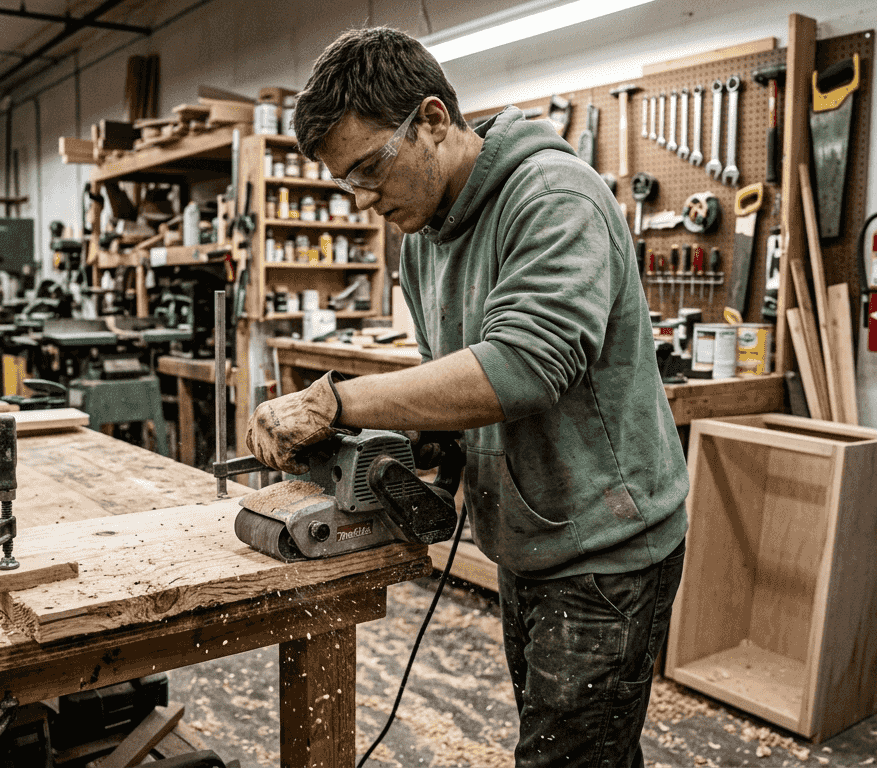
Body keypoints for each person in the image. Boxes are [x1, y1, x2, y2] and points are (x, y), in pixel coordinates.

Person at [246, 28, 688, 767]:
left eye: (369, 169)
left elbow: (523, 367)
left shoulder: (552, 195)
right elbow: (453, 390)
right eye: (345, 183)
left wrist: (337, 402)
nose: (363, 200)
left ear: (431, 118)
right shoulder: (423, 238)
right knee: (585, 750)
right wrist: (413, 466)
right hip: (531, 535)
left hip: (605, 549)